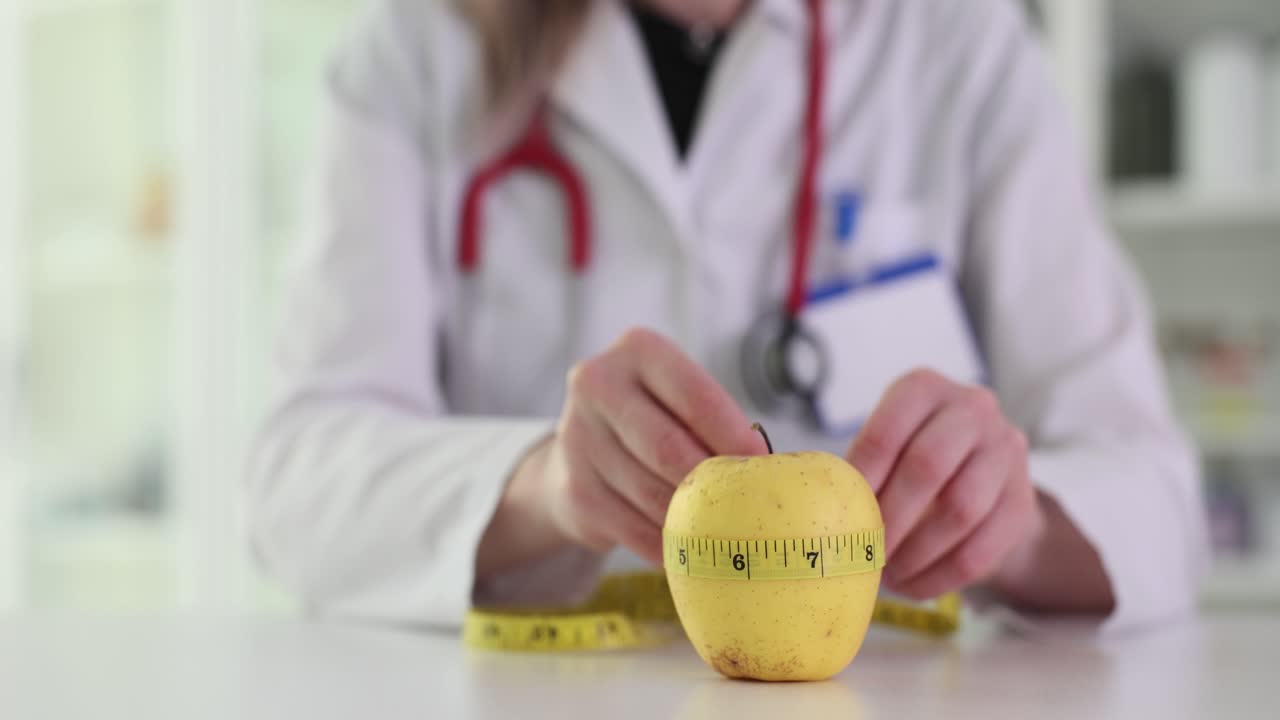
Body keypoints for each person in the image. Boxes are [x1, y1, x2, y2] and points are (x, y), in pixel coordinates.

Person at [247, 0, 1207, 632]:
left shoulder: (957, 41)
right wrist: (543, 486)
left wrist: (1012, 523)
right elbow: (296, 487)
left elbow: (1158, 502)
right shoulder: (417, 49)